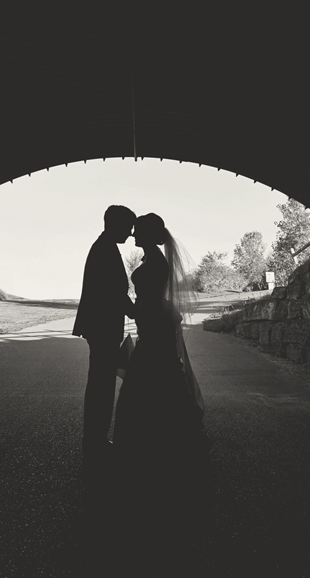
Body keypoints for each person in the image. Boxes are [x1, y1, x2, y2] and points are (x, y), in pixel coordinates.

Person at [112, 212, 211, 501]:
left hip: (154, 326)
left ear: (148, 233)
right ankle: (164, 443)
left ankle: (146, 447)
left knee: (148, 379)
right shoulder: (152, 259)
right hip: (152, 323)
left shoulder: (156, 262)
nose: (133, 235)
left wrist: (126, 304)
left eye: (137, 230)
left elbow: (151, 301)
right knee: (160, 379)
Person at [73, 205, 137, 483]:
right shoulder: (105, 250)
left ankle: (96, 439)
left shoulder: (104, 247)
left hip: (100, 327)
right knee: (101, 385)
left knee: (100, 383)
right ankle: (95, 443)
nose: (131, 233)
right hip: (102, 327)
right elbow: (114, 291)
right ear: (116, 224)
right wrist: (137, 311)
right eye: (128, 227)